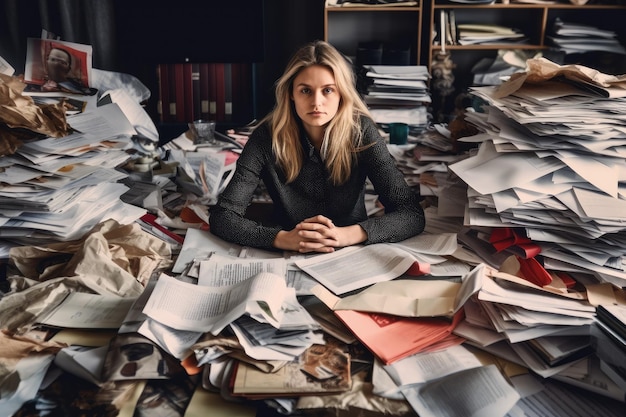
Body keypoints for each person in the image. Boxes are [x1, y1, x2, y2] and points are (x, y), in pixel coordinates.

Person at [210, 40, 425, 253]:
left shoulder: (361, 131)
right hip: (288, 253)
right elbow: (223, 217)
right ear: (291, 93)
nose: (316, 102)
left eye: (328, 90)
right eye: (305, 90)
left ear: (342, 93)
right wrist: (282, 239)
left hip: (352, 251)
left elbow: (411, 214)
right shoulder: (266, 137)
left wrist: (346, 235)